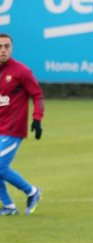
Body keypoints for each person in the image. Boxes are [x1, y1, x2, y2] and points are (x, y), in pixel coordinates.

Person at [0, 33, 43, 216]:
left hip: (13, 129)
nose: (3, 50)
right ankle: (9, 206)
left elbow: (38, 95)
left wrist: (37, 118)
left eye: (6, 46)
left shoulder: (21, 71)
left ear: (12, 48)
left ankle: (32, 192)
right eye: (0, 46)